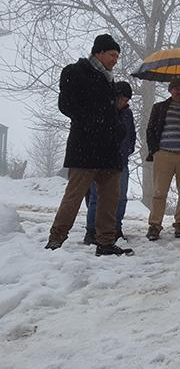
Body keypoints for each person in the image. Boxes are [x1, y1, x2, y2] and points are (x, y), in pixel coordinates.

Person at [44, 34, 133, 256]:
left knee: (109, 199)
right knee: (73, 196)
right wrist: (95, 123)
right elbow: (66, 105)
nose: (115, 60)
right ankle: (56, 238)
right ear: (99, 52)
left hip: (108, 150)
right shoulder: (75, 71)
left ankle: (105, 241)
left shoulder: (109, 79)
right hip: (84, 147)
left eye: (117, 56)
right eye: (113, 55)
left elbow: (112, 112)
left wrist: (117, 129)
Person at [145, 79, 180, 240]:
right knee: (159, 192)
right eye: (177, 89)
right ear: (170, 90)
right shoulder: (159, 107)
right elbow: (151, 130)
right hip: (164, 154)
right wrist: (155, 151)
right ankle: (155, 225)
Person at [83, 81, 136, 245]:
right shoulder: (102, 110)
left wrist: (127, 151)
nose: (124, 102)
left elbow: (131, 135)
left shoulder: (127, 114)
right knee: (96, 198)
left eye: (127, 100)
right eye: (122, 99)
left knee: (120, 197)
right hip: (100, 160)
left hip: (121, 161)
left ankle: (116, 229)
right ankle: (92, 231)